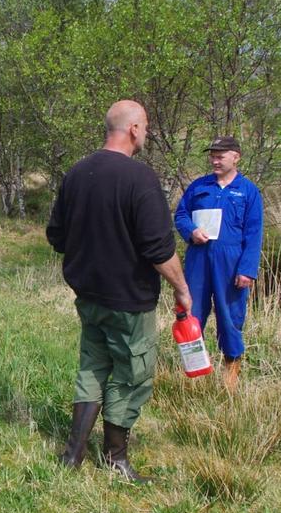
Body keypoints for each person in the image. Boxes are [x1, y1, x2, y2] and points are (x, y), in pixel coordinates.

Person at [46, 99, 192, 484]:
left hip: (88, 297)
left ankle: (73, 455)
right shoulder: (140, 179)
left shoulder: (76, 173)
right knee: (132, 375)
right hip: (129, 302)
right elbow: (159, 250)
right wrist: (182, 289)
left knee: (92, 368)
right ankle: (116, 460)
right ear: (133, 129)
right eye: (145, 127)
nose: (146, 134)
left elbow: (56, 237)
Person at [174, 135, 263, 392]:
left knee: (230, 316)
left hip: (231, 262)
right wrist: (190, 231)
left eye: (220, 155)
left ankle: (230, 376)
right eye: (212, 155)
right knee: (191, 314)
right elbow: (180, 214)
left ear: (236, 157)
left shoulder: (248, 191)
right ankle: (193, 374)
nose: (215, 159)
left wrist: (247, 269)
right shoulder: (199, 186)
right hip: (199, 260)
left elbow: (254, 232)